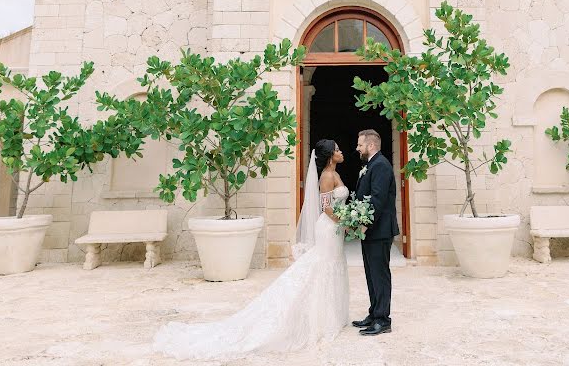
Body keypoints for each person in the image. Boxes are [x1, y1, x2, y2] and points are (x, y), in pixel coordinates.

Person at [153, 139, 350, 360]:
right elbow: (326, 208)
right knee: (323, 268)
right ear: (330, 155)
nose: (341, 152)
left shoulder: (336, 174)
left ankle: (329, 316)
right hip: (329, 226)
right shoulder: (326, 177)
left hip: (336, 229)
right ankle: (318, 320)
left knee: (332, 267)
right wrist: (347, 220)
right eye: (338, 149)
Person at [352, 129, 399, 336]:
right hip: (372, 231)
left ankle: (383, 319)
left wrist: (365, 223)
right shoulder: (371, 164)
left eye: (360, 145)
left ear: (370, 146)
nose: (357, 148)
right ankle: (374, 313)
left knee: (380, 274)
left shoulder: (380, 165)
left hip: (379, 230)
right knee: (371, 274)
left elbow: (377, 200)